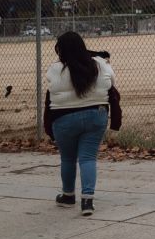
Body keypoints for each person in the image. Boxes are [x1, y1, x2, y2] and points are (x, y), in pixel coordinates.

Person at [44, 31, 118, 217]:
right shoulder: (100, 65)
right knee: (87, 158)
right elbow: (112, 84)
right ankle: (87, 201)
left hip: (63, 118)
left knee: (68, 158)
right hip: (96, 115)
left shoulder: (55, 69)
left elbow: (50, 91)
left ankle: (68, 196)